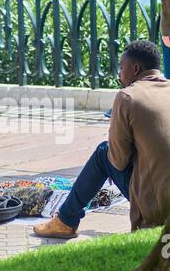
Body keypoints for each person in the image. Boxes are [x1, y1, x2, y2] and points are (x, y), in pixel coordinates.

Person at [34, 40, 170, 239]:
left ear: (135, 69)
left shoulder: (127, 97)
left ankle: (65, 221)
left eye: (121, 68)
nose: (119, 74)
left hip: (157, 207)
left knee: (102, 153)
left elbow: (117, 160)